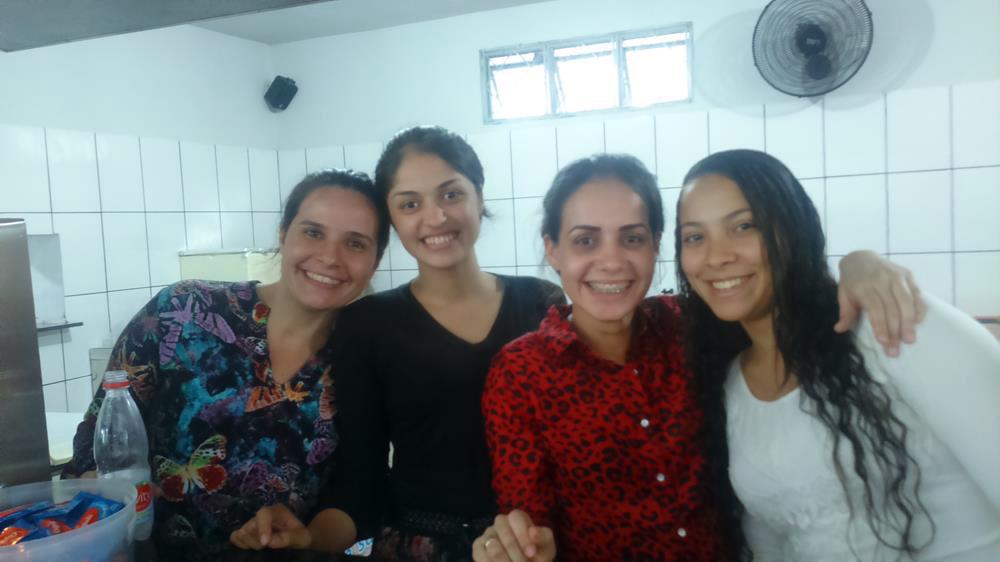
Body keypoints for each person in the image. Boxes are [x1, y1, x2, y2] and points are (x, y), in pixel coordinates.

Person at [471, 154, 926, 562]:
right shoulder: (521, 373)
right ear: (553, 249)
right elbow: (528, 522)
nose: (611, 262)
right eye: (585, 241)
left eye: (632, 238)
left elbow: (784, 300)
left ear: (656, 245)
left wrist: (858, 263)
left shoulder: (695, 324)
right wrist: (521, 547)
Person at [231, 126, 565, 560]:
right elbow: (361, 477)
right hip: (414, 546)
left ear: (479, 198)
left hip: (531, 543)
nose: (436, 217)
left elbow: (570, 443)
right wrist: (310, 538)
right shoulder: (368, 323)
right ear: (392, 219)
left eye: (451, 194)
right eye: (410, 203)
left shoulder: (541, 302)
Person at [675, 149, 1000, 560]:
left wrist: (859, 260)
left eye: (744, 226)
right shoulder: (730, 385)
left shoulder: (895, 325)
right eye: (695, 237)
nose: (717, 256)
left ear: (793, 229)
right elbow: (771, 544)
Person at [62, 169, 390, 557]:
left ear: (375, 260)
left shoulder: (364, 359)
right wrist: (107, 509)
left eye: (355, 243)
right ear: (283, 234)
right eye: (313, 232)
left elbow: (360, 491)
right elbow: (98, 437)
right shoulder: (184, 310)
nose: (330, 257)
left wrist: (308, 537)